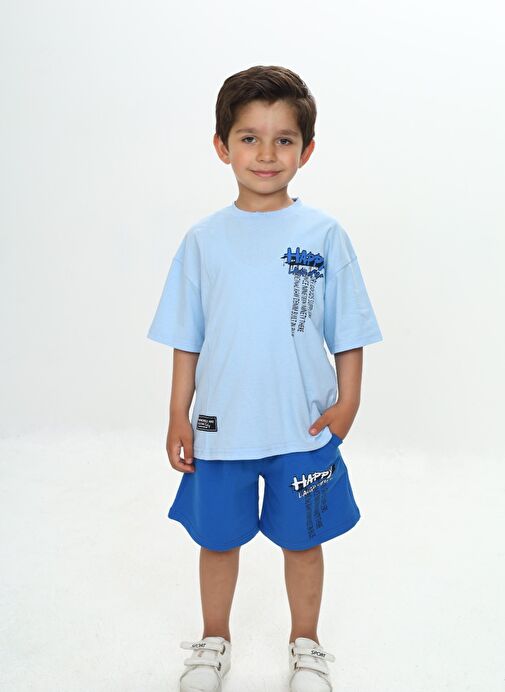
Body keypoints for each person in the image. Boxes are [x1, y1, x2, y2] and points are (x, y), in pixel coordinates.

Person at [147, 65, 383, 692]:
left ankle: (306, 644)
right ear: (221, 146)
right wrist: (177, 414)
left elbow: (349, 328)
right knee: (217, 540)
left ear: (307, 149)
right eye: (249, 138)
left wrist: (349, 401)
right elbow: (187, 337)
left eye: (284, 140)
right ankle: (213, 641)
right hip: (220, 427)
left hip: (302, 426)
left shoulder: (323, 234)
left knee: (302, 543)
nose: (266, 154)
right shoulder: (203, 240)